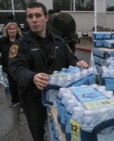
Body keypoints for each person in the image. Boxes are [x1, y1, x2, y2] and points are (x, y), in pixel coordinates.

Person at [8, 2, 89, 141]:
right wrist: (32, 77)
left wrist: (78, 63)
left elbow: (71, 58)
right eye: (30, 16)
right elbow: (15, 68)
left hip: (59, 98)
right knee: (39, 134)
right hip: (34, 100)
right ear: (27, 20)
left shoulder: (59, 42)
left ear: (46, 17)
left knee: (59, 131)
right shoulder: (20, 45)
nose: (34, 19)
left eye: (38, 15)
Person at [0, 20, 22, 107]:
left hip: (20, 67)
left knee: (20, 85)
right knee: (12, 85)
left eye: (14, 29)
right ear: (7, 30)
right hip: (8, 67)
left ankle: (22, 102)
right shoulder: (2, 41)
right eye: (10, 29)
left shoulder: (21, 40)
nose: (12, 30)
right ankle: (15, 101)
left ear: (17, 30)